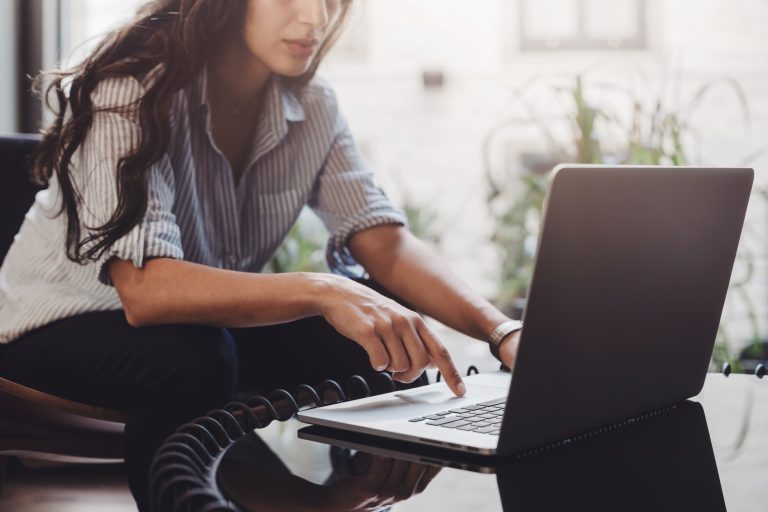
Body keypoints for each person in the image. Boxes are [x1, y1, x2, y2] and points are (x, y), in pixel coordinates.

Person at [0, 0, 521, 509]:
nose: (316, 17)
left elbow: (382, 241)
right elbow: (146, 292)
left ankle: (344, 497)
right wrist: (323, 289)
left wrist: (503, 333)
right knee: (192, 359)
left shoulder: (313, 103)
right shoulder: (128, 89)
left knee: (370, 330)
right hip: (52, 326)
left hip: (199, 329)